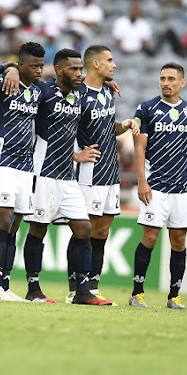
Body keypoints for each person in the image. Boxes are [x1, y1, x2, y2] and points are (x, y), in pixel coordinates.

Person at [22, 48, 114, 306]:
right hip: (44, 173)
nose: (79, 74)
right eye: (73, 69)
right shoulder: (44, 93)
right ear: (59, 70)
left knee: (84, 228)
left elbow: (95, 88)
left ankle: (82, 291)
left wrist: (107, 81)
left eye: (81, 69)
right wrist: (7, 70)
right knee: (38, 229)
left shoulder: (79, 93)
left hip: (67, 176)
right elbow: (21, 80)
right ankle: (33, 288)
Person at [130, 62, 187, 309]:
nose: (166, 83)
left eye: (171, 79)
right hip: (155, 187)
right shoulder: (147, 109)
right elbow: (139, 148)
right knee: (150, 237)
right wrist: (142, 181)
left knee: (179, 241)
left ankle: (174, 296)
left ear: (182, 83)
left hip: (182, 188)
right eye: (163, 78)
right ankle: (137, 292)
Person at [0, 42, 44, 301]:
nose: (38, 70)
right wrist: (6, 68)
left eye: (41, 65)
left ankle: (5, 283)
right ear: (21, 64)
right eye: (33, 66)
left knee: (15, 224)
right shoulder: (4, 85)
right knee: (3, 221)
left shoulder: (39, 93)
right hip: (3, 160)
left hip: (26, 166)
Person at [71, 45, 139, 304]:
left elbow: (107, 127)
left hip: (111, 171)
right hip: (90, 172)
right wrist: (76, 155)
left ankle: (93, 286)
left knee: (102, 232)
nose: (115, 65)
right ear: (96, 64)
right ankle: (75, 288)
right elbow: (63, 127)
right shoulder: (77, 94)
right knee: (84, 230)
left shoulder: (108, 93)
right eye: (110, 60)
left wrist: (125, 125)